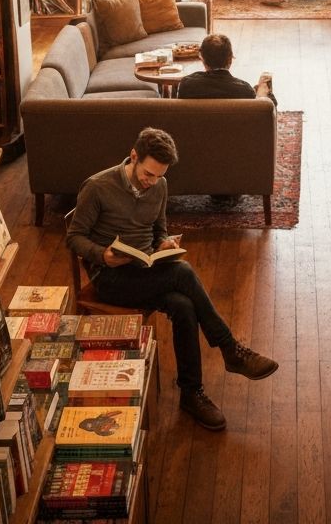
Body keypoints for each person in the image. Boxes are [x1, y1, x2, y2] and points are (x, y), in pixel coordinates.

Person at [66, 127, 278, 431]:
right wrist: (103, 255)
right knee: (183, 272)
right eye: (148, 174)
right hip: (110, 277)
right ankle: (231, 349)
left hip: (144, 269)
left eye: (158, 176)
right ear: (134, 156)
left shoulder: (160, 186)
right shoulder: (98, 187)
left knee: (183, 305)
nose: (151, 182)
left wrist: (164, 244)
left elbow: (159, 230)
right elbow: (73, 237)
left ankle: (192, 393)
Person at [178, 33, 275, 208]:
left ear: (202, 58)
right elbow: (262, 116)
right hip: (236, 163)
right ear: (230, 59)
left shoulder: (186, 86)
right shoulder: (243, 90)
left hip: (198, 163)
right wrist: (262, 93)